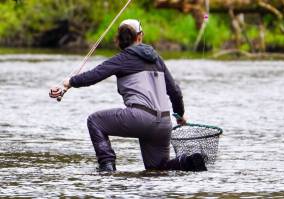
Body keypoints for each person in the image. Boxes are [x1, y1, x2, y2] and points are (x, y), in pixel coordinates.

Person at [50, 19, 206, 172]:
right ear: (140, 36)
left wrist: (69, 82)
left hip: (140, 118)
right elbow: (175, 91)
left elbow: (94, 75)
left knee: (95, 121)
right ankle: (187, 162)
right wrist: (179, 114)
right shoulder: (158, 60)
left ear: (118, 39)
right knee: (157, 168)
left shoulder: (122, 59)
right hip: (164, 123)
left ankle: (107, 166)